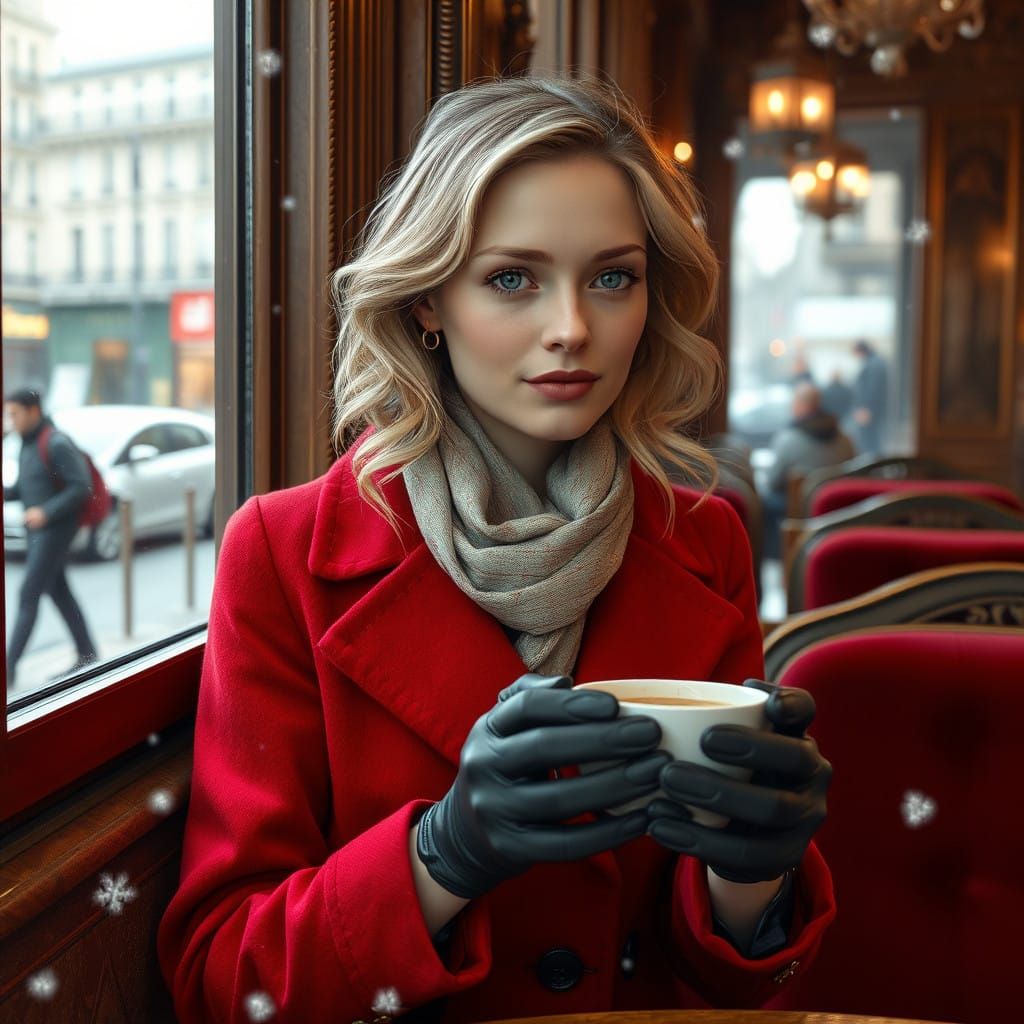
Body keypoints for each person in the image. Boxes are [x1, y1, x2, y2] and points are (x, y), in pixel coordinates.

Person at [158, 76, 835, 1023]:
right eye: (512, 278)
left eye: (613, 277)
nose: (572, 328)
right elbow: (228, 979)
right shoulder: (282, 551)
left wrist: (751, 879)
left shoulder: (703, 538)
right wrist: (442, 856)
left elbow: (718, 981)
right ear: (428, 301)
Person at [4, 388, 98, 690]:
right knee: (60, 594)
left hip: (56, 531)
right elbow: (24, 488)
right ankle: (88, 654)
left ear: (33, 411)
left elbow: (81, 487)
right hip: (41, 532)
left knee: (27, 594)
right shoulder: (27, 444)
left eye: (15, 413)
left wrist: (46, 512)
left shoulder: (56, 442)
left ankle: (7, 671)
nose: (11, 420)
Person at [761, 382, 856, 558]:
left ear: (801, 405)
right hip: (837, 517)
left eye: (794, 402)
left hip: (798, 518)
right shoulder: (845, 440)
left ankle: (778, 560)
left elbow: (773, 481)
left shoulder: (788, 440)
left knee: (765, 499)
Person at [850, 338, 888, 456]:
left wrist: (867, 409)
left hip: (869, 411)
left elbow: (873, 389)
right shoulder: (874, 362)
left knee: (870, 441)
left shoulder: (873, 364)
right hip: (869, 410)